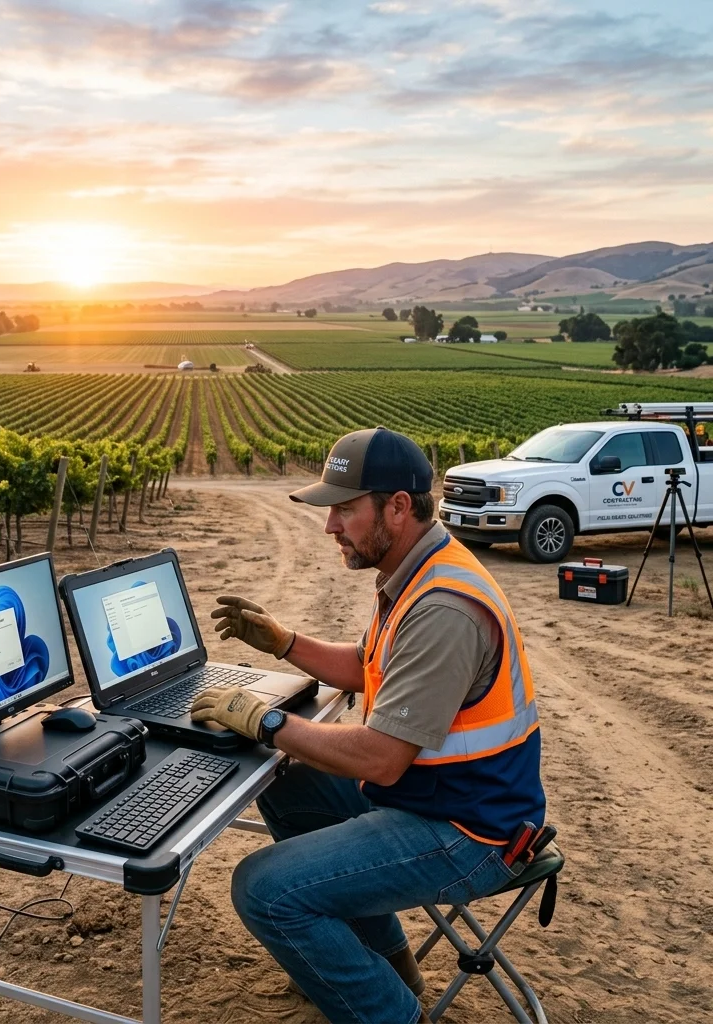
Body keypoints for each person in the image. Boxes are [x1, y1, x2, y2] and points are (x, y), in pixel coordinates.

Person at [191, 427, 545, 1024]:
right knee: (288, 783)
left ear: (398, 507)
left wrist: (264, 720)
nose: (330, 526)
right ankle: (393, 967)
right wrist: (284, 642)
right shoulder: (417, 569)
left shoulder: (443, 608)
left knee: (264, 889)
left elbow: (380, 759)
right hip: (440, 799)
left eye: (344, 509)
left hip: (470, 831)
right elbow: (367, 665)